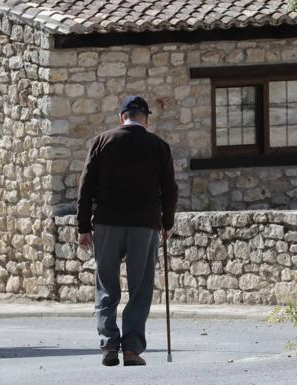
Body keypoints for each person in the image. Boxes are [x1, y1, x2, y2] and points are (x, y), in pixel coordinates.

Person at [76, 95, 178, 367]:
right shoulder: (159, 146)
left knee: (107, 285)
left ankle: (109, 343)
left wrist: (83, 226)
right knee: (141, 287)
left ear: (122, 117)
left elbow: (86, 186)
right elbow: (169, 190)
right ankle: (132, 348)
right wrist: (167, 223)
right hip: (144, 225)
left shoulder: (102, 142)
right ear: (145, 118)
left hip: (107, 222)